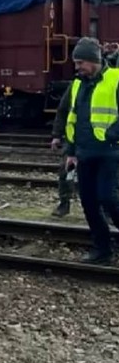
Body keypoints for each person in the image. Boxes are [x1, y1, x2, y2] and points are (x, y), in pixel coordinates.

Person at [64, 37, 119, 264]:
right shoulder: (78, 84)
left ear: (93, 60)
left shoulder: (115, 79)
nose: (77, 68)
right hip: (84, 152)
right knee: (88, 202)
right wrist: (71, 151)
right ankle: (102, 249)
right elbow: (73, 118)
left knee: (108, 198)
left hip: (110, 152)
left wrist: (111, 135)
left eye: (80, 63)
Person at [50, 83, 74, 217]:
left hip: (101, 140)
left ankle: (104, 209)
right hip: (74, 139)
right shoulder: (76, 84)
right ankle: (64, 203)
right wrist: (56, 135)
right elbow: (63, 110)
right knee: (66, 171)